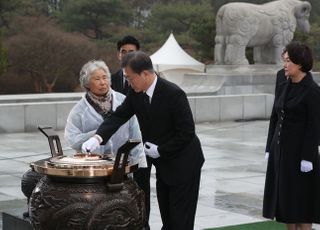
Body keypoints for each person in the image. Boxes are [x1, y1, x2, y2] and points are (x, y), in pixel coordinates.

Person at [82, 51, 205, 230]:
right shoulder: (136, 93)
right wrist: (97, 138)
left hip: (184, 163)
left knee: (181, 221)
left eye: (131, 78)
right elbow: (118, 116)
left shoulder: (173, 94)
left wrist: (161, 150)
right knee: (168, 218)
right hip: (164, 166)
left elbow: (186, 133)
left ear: (145, 74)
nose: (129, 83)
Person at [263, 41, 320, 230]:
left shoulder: (312, 91)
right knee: (287, 204)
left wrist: (307, 157)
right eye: (284, 60)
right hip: (282, 154)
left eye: (288, 61)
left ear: (300, 63)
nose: (285, 65)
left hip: (301, 157)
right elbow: (274, 116)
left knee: (302, 204)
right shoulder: (282, 81)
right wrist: (269, 148)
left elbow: (314, 126)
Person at [64, 59, 147, 171]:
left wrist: (140, 164)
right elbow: (72, 139)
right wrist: (97, 135)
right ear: (87, 83)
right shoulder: (79, 110)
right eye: (97, 79)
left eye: (105, 77)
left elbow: (135, 136)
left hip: (122, 165)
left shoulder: (123, 101)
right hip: (94, 169)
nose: (102, 82)